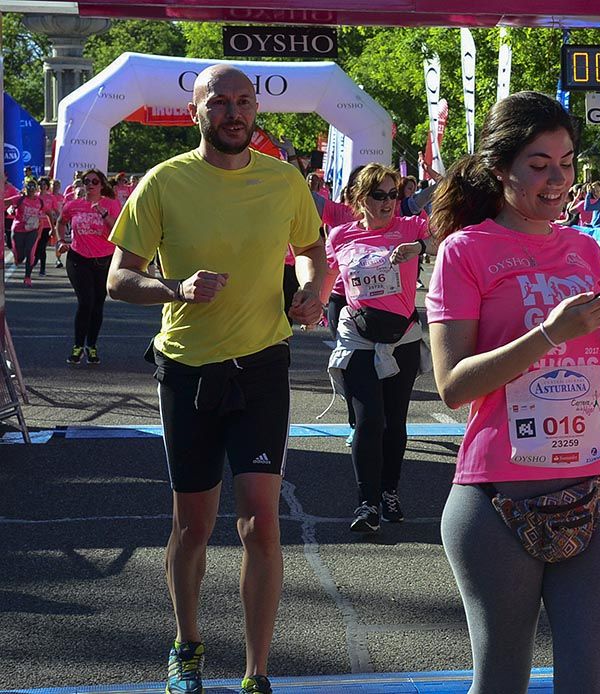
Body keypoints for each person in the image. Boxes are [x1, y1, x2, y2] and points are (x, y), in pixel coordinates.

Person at [426, 90, 600, 694]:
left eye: (566, 162)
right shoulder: (465, 251)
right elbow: (453, 386)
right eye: (539, 164)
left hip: (595, 489)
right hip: (498, 498)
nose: (557, 179)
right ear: (500, 168)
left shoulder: (586, 249)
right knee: (502, 680)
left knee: (586, 683)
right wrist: (549, 335)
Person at [106, 64, 325, 694]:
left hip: (261, 367)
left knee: (260, 519)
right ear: (196, 111)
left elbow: (312, 250)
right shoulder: (164, 183)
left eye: (243, 102)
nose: (233, 112)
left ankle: (257, 673)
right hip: (187, 370)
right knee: (193, 523)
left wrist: (312, 291)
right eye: (219, 102)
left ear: (256, 111)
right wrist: (176, 287)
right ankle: (187, 644)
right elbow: (121, 278)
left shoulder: (285, 182)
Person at [322, 163, 435, 532]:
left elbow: (446, 237)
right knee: (369, 421)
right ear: (359, 199)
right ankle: (367, 503)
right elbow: (333, 285)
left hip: (401, 338)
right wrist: (312, 303)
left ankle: (389, 491)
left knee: (394, 423)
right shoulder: (340, 236)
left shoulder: (410, 226)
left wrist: (417, 247)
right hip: (359, 338)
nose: (388, 202)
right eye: (378, 195)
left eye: (393, 194)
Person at [55, 169, 122, 363]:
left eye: (94, 181)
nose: (90, 184)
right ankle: (77, 346)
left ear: (101, 184)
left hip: (104, 260)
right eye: (86, 181)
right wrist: (60, 241)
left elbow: (118, 230)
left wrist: (104, 215)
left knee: (98, 304)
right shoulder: (73, 205)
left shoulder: (111, 204)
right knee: (86, 302)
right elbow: (60, 222)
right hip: (78, 258)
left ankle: (91, 345)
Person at [5, 179, 46, 287]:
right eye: (29, 187)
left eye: (33, 188)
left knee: (30, 252)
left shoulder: (40, 202)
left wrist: (53, 229)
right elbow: (4, 202)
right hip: (18, 230)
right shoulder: (19, 199)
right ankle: (17, 257)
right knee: (20, 257)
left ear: (36, 189)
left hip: (32, 231)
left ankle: (28, 277)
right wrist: (9, 209)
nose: (31, 190)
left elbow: (49, 213)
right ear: (25, 188)